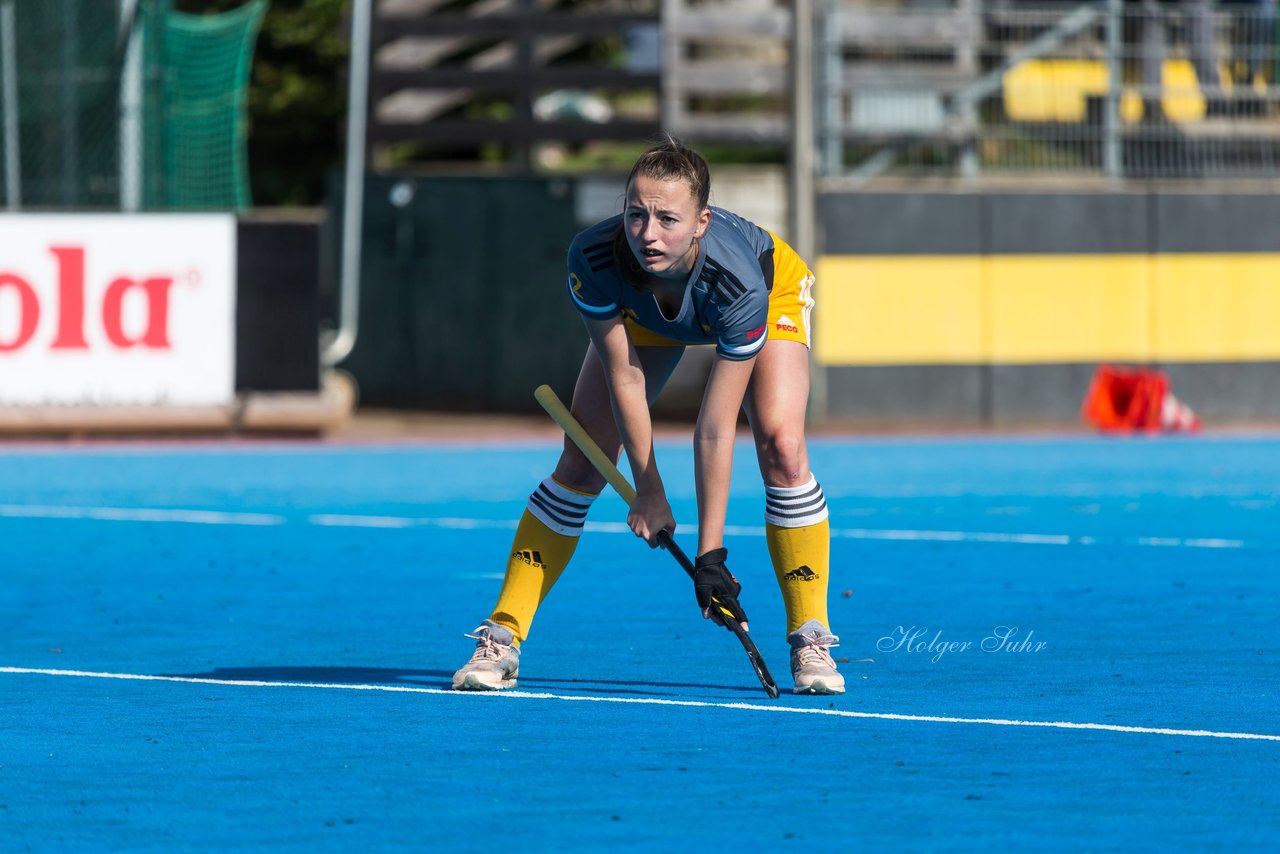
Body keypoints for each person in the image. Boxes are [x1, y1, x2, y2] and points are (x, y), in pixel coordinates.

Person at [450, 138, 844, 696]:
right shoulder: (595, 258)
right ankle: (503, 636)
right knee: (582, 460)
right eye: (636, 215)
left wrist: (711, 556)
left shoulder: (742, 285)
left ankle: (811, 635)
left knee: (781, 444)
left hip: (767, 293)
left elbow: (714, 425)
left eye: (667, 218)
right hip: (648, 311)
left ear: (702, 221)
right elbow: (625, 378)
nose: (648, 234)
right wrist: (649, 491)